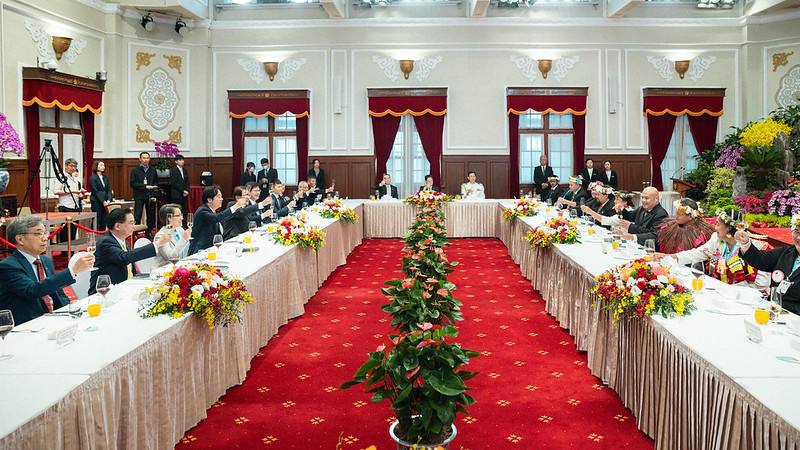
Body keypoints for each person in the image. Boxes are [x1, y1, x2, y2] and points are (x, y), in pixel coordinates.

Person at [0, 215, 95, 325]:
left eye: (45, 233)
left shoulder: (45, 261)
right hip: (27, 326)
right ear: (20, 239)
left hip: (52, 320)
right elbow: (33, 290)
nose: (45, 238)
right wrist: (72, 271)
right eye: (38, 233)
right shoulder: (8, 266)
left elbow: (58, 292)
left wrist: (70, 309)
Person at [656, 207, 769, 290]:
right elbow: (697, 253)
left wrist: (733, 290)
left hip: (744, 298)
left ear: (729, 228)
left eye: (718, 224)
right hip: (720, 292)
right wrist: (669, 256)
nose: (715, 228)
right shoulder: (717, 239)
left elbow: (762, 283)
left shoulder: (751, 247)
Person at [90, 207, 171, 294]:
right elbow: (124, 257)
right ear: (117, 226)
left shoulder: (123, 241)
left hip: (125, 288)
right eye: (131, 223)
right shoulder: (106, 242)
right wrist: (157, 244)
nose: (134, 226)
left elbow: (130, 268)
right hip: (105, 293)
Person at [736, 214, 800, 314]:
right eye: (796, 231)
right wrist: (745, 243)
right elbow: (760, 259)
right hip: (773, 311)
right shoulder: (786, 252)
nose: (799, 237)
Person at [189, 185, 249, 255]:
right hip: (200, 251)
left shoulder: (212, 211)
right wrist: (235, 207)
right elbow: (216, 218)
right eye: (219, 196)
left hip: (211, 249)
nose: (222, 199)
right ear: (209, 199)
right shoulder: (202, 211)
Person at [54, 158, 85, 242]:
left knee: (73, 229)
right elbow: (55, 191)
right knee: (65, 230)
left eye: (75, 166)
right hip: (65, 206)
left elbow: (77, 190)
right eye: (71, 166)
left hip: (75, 205)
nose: (73, 168)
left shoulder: (74, 178)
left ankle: (72, 247)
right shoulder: (61, 177)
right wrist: (72, 191)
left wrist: (80, 191)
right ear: (66, 166)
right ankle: (64, 249)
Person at [130, 151, 158, 231]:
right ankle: (136, 232)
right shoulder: (135, 170)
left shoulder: (152, 170)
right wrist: (145, 186)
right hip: (139, 195)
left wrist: (155, 186)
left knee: (150, 215)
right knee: (137, 215)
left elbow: (156, 181)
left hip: (150, 195)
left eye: (147, 158)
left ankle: (148, 232)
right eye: (144, 158)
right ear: (140, 159)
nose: (146, 160)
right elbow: (133, 183)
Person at [89, 160, 113, 231]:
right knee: (97, 220)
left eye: (103, 165)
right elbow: (95, 191)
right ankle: (94, 236)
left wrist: (108, 200)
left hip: (105, 202)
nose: (103, 167)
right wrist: (103, 201)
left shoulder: (105, 177)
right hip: (96, 201)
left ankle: (102, 236)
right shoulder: (92, 178)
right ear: (96, 166)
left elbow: (109, 190)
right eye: (101, 165)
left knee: (104, 220)